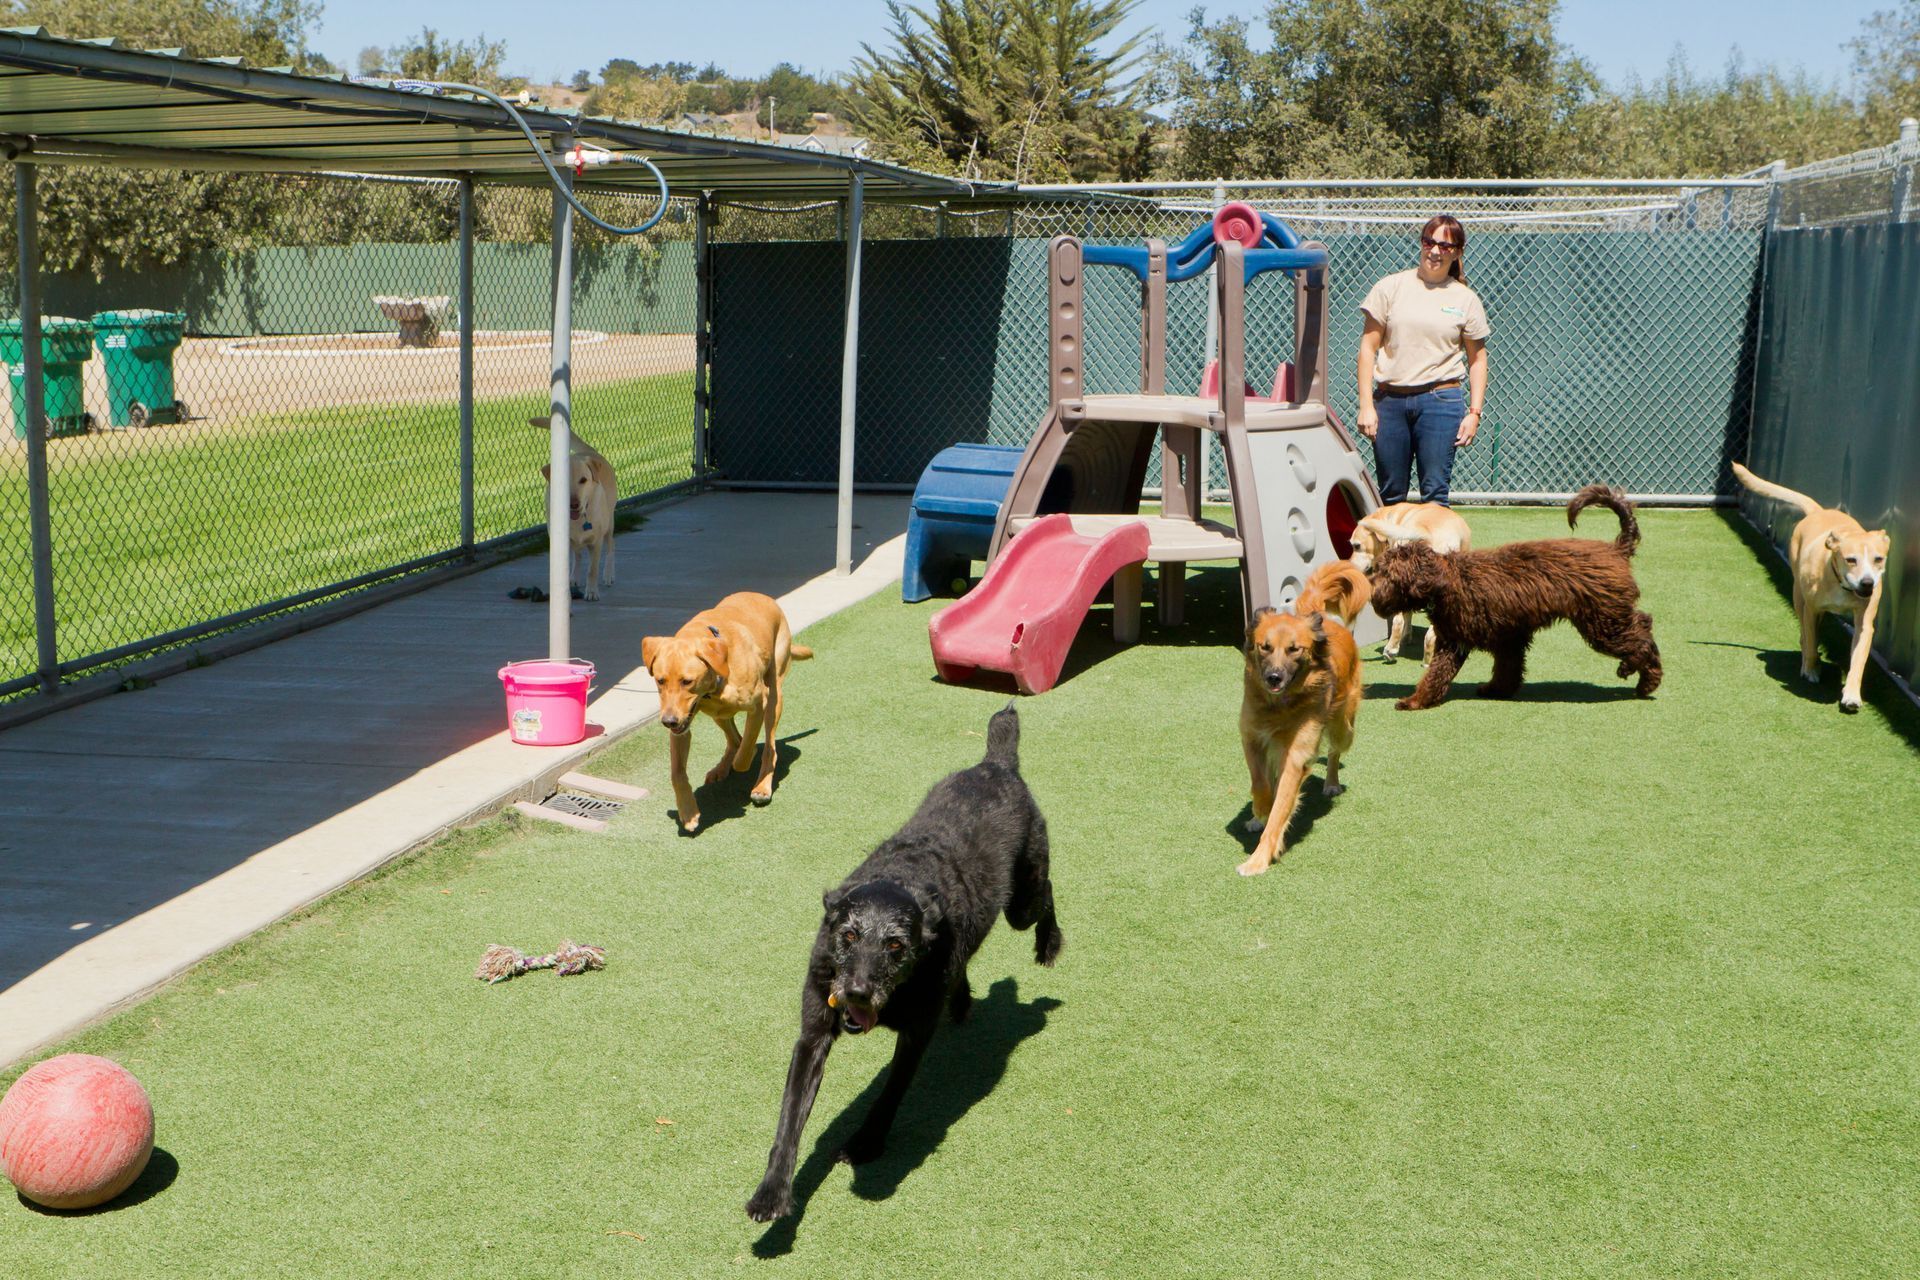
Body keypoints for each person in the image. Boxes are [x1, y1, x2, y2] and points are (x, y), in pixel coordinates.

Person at [1354, 215, 1490, 506]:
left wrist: (1474, 413)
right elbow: (1368, 348)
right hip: (1390, 403)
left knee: (1435, 496)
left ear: (1457, 252)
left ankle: (1436, 554)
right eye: (1429, 242)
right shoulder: (1390, 287)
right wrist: (1366, 406)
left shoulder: (1465, 299)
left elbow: (1477, 359)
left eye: (1445, 245)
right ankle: (1392, 554)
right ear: (1421, 244)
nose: (1435, 251)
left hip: (1440, 402)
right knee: (1391, 496)